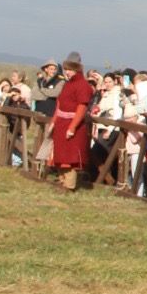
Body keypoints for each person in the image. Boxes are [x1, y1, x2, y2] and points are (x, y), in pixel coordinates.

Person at [49, 53, 94, 192]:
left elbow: (82, 107)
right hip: (61, 123)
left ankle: (69, 185)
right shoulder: (68, 84)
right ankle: (62, 181)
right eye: (66, 69)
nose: (67, 72)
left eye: (70, 69)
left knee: (70, 156)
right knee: (60, 154)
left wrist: (72, 127)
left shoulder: (83, 85)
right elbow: (59, 105)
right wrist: (53, 122)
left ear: (76, 69)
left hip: (72, 123)